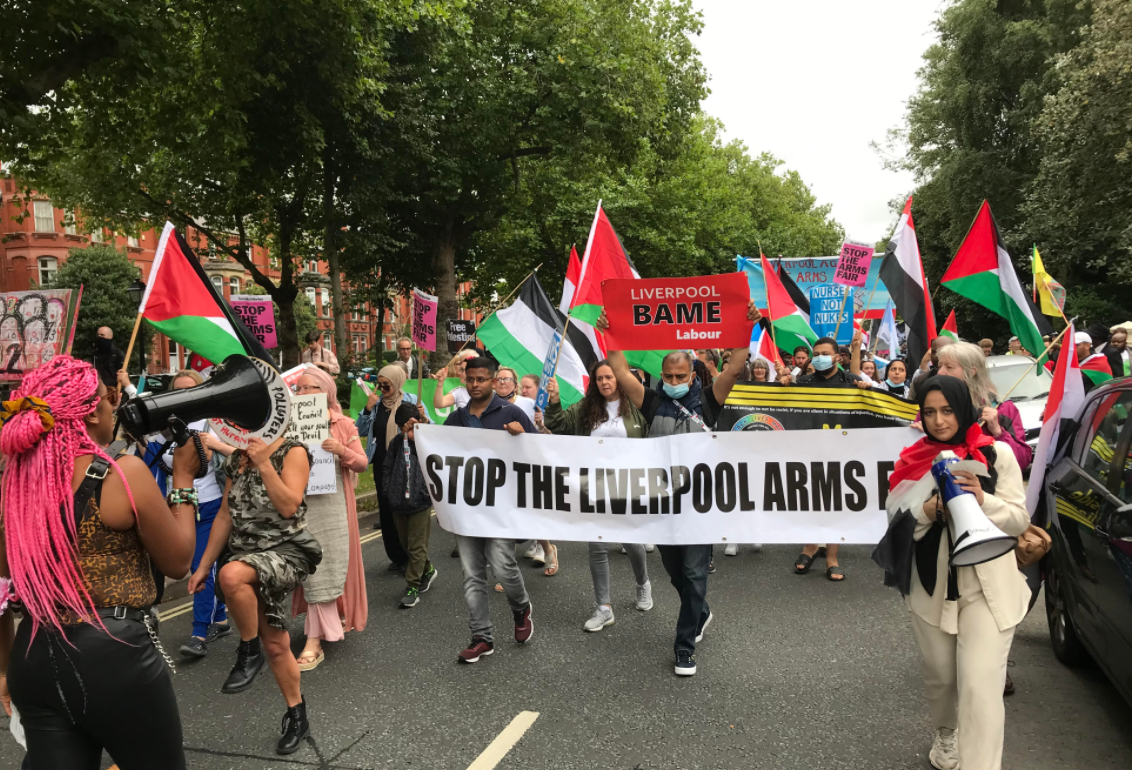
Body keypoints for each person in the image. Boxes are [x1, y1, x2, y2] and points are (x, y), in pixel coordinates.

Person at [0, 356, 200, 769]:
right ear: (92, 412)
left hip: (33, 654)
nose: (113, 407)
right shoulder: (119, 473)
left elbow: (3, 580)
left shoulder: (14, 484)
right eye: (108, 399)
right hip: (113, 655)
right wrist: (183, 479)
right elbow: (179, 560)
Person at [874, 376, 1030, 770]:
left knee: (980, 686)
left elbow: (1018, 520)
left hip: (989, 589)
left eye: (947, 410)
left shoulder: (996, 454)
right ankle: (946, 734)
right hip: (931, 588)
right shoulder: (912, 459)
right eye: (929, 412)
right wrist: (927, 512)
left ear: (963, 409)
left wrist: (982, 499)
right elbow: (895, 518)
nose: (939, 421)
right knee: (942, 678)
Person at [599, 302, 760, 676]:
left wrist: (747, 326)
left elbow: (735, 365)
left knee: (694, 573)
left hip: (699, 504)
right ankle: (700, 611)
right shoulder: (651, 401)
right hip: (662, 504)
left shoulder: (708, 399)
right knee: (674, 571)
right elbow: (620, 370)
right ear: (661, 375)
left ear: (693, 375)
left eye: (680, 375)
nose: (674, 381)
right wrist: (610, 332)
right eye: (669, 376)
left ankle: (684, 646)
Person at [188, 430, 321, 755]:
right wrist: (203, 566)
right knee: (276, 644)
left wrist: (264, 464)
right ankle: (297, 716)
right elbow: (224, 515)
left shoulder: (293, 452)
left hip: (285, 551)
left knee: (231, 575)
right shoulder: (236, 459)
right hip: (245, 554)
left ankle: (249, 651)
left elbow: (289, 506)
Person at [543, 362, 652, 631]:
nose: (604, 382)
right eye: (600, 378)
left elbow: (653, 437)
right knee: (597, 543)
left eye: (609, 377)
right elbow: (558, 424)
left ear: (619, 379)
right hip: (594, 483)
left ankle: (643, 583)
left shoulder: (636, 405)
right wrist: (554, 401)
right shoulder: (586, 407)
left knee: (631, 540)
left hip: (628, 483)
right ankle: (603, 608)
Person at [442, 357, 536, 664]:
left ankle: (521, 607)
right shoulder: (456, 418)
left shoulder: (511, 412)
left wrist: (523, 436)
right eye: (470, 379)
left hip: (500, 508)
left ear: (493, 382)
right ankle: (481, 637)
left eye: (481, 379)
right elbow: (437, 452)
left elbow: (539, 453)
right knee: (472, 575)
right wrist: (418, 436)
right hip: (466, 509)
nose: (474, 385)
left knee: (503, 566)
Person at [149, 370, 233, 660]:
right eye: (178, 391)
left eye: (190, 390)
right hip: (176, 507)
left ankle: (199, 634)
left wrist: (217, 444)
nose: (184, 397)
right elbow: (153, 463)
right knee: (186, 565)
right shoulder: (165, 428)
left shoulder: (215, 423)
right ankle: (219, 619)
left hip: (209, 505)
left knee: (201, 567)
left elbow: (245, 454)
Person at [290, 368, 370, 671]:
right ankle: (324, 621)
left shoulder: (343, 423)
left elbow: (362, 463)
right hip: (300, 504)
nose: (301, 394)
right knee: (308, 566)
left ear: (324, 391)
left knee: (327, 566)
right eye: (297, 389)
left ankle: (314, 640)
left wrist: (341, 450)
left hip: (334, 506)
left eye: (306, 388)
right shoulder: (289, 424)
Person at [792, 336, 863, 582]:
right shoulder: (803, 382)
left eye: (825, 353)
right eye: (817, 353)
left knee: (835, 504)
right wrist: (783, 385)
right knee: (809, 501)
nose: (820, 357)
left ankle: (832, 557)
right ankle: (810, 547)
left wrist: (868, 392)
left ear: (837, 357)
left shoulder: (851, 382)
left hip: (841, 453)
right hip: (810, 451)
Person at [933, 342, 1033, 472]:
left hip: (990, 483)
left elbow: (1022, 461)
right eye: (940, 366)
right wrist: (921, 435)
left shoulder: (1002, 409)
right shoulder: (931, 407)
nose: (940, 372)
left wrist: (998, 432)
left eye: (949, 367)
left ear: (971, 372)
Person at [357, 365, 418, 559]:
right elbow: (360, 430)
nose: (382, 389)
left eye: (387, 385)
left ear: (397, 382)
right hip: (383, 464)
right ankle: (396, 556)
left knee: (407, 509)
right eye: (380, 384)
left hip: (406, 461)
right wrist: (367, 408)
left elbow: (428, 428)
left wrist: (422, 419)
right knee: (386, 510)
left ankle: (412, 556)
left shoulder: (411, 401)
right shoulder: (376, 405)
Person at [382, 416, 437, 609]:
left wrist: (425, 493)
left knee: (416, 546)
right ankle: (427, 569)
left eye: (409, 425)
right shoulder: (396, 443)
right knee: (406, 544)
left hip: (419, 503)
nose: (405, 429)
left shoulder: (425, 440)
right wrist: (389, 491)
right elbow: (387, 468)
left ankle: (412, 587)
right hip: (398, 502)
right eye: (402, 426)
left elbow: (435, 461)